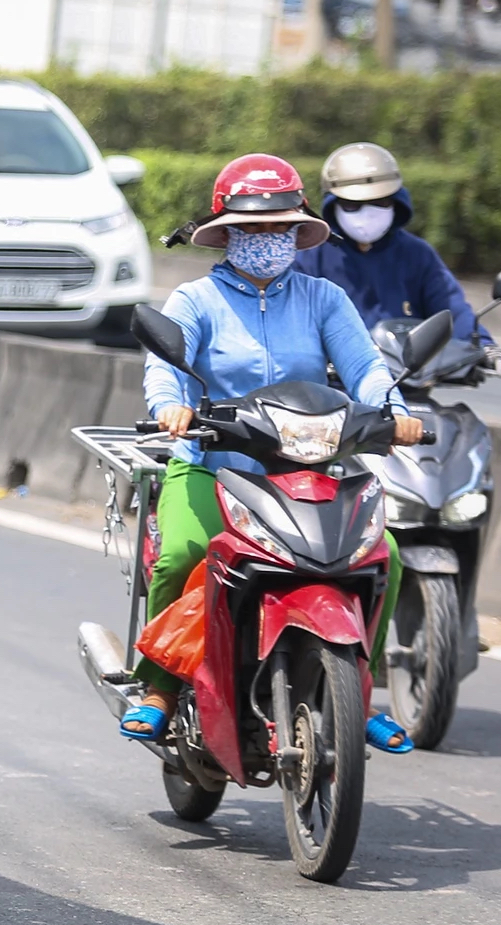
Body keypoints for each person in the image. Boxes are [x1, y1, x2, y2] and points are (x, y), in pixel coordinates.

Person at [135, 154, 422, 753]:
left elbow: (365, 367)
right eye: (253, 227)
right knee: (185, 553)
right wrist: (172, 407)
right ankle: (160, 687)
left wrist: (393, 410)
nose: (267, 239)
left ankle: (358, 691)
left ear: (298, 232)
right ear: (227, 232)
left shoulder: (324, 299)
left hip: (309, 466)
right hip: (216, 465)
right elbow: (165, 367)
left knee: (384, 555)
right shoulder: (195, 299)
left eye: (279, 227)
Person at [294, 141, 501, 376]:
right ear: (333, 204)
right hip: (335, 389)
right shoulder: (309, 254)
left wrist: (485, 346)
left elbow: (450, 310)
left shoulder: (417, 254)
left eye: (381, 202)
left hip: (406, 382)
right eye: (352, 205)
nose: (368, 213)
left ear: (397, 200)